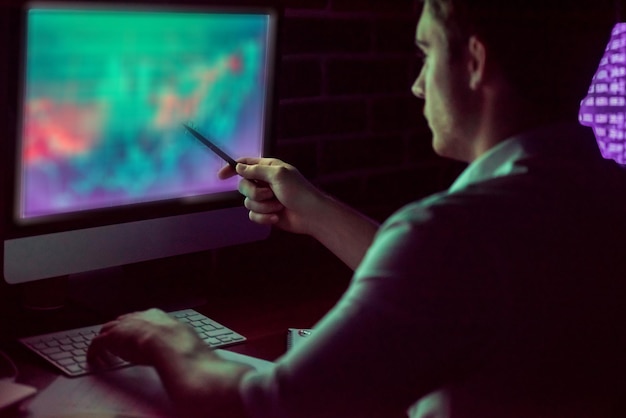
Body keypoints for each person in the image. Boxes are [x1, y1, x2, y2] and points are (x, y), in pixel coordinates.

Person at [88, 0, 626, 416]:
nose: (417, 86)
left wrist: (168, 339)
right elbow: (458, 288)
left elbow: (260, 409)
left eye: (426, 53)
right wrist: (316, 210)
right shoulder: (599, 196)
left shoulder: (454, 233)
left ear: (475, 61)